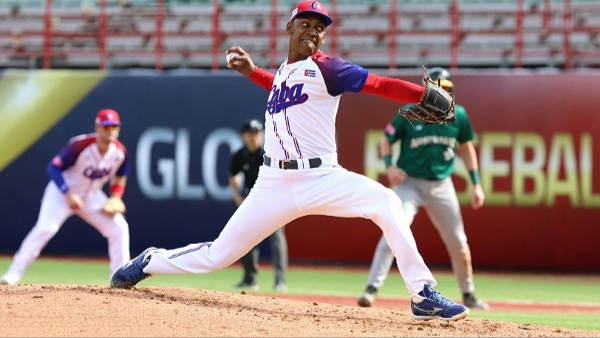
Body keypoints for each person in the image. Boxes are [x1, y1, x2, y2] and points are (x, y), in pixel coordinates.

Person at [110, 0, 469, 322]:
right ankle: (150, 261)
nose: (312, 31)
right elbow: (281, 86)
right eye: (306, 24)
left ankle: (422, 294)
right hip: (273, 184)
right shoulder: (284, 71)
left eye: (319, 28)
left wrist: (421, 93)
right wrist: (253, 72)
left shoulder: (329, 69)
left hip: (323, 177)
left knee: (386, 202)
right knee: (218, 256)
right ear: (290, 28)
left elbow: (379, 84)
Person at [357, 67, 488, 310]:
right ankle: (371, 288)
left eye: (446, 90)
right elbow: (386, 140)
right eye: (437, 89)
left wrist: (476, 184)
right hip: (410, 184)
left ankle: (468, 293)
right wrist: (389, 166)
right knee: (393, 230)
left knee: (458, 241)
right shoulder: (409, 113)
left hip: (441, 185)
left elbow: (467, 149)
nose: (442, 95)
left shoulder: (458, 115)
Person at [0, 108, 131, 286]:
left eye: (115, 127)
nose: (111, 131)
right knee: (46, 228)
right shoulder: (80, 145)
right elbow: (53, 168)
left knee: (119, 228)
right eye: (107, 127)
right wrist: (67, 193)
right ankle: (13, 274)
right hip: (61, 194)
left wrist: (116, 196)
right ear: (98, 127)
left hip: (91, 197)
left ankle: (120, 279)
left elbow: (120, 175)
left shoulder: (119, 152)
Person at [229, 118, 288, 292]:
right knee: (246, 237)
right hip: (252, 200)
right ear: (243, 136)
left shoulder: (270, 152)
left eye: (257, 133)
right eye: (251, 134)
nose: (255, 137)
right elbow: (233, 175)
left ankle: (280, 281)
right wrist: (237, 197)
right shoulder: (240, 155)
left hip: (273, 200)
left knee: (276, 239)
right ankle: (249, 279)